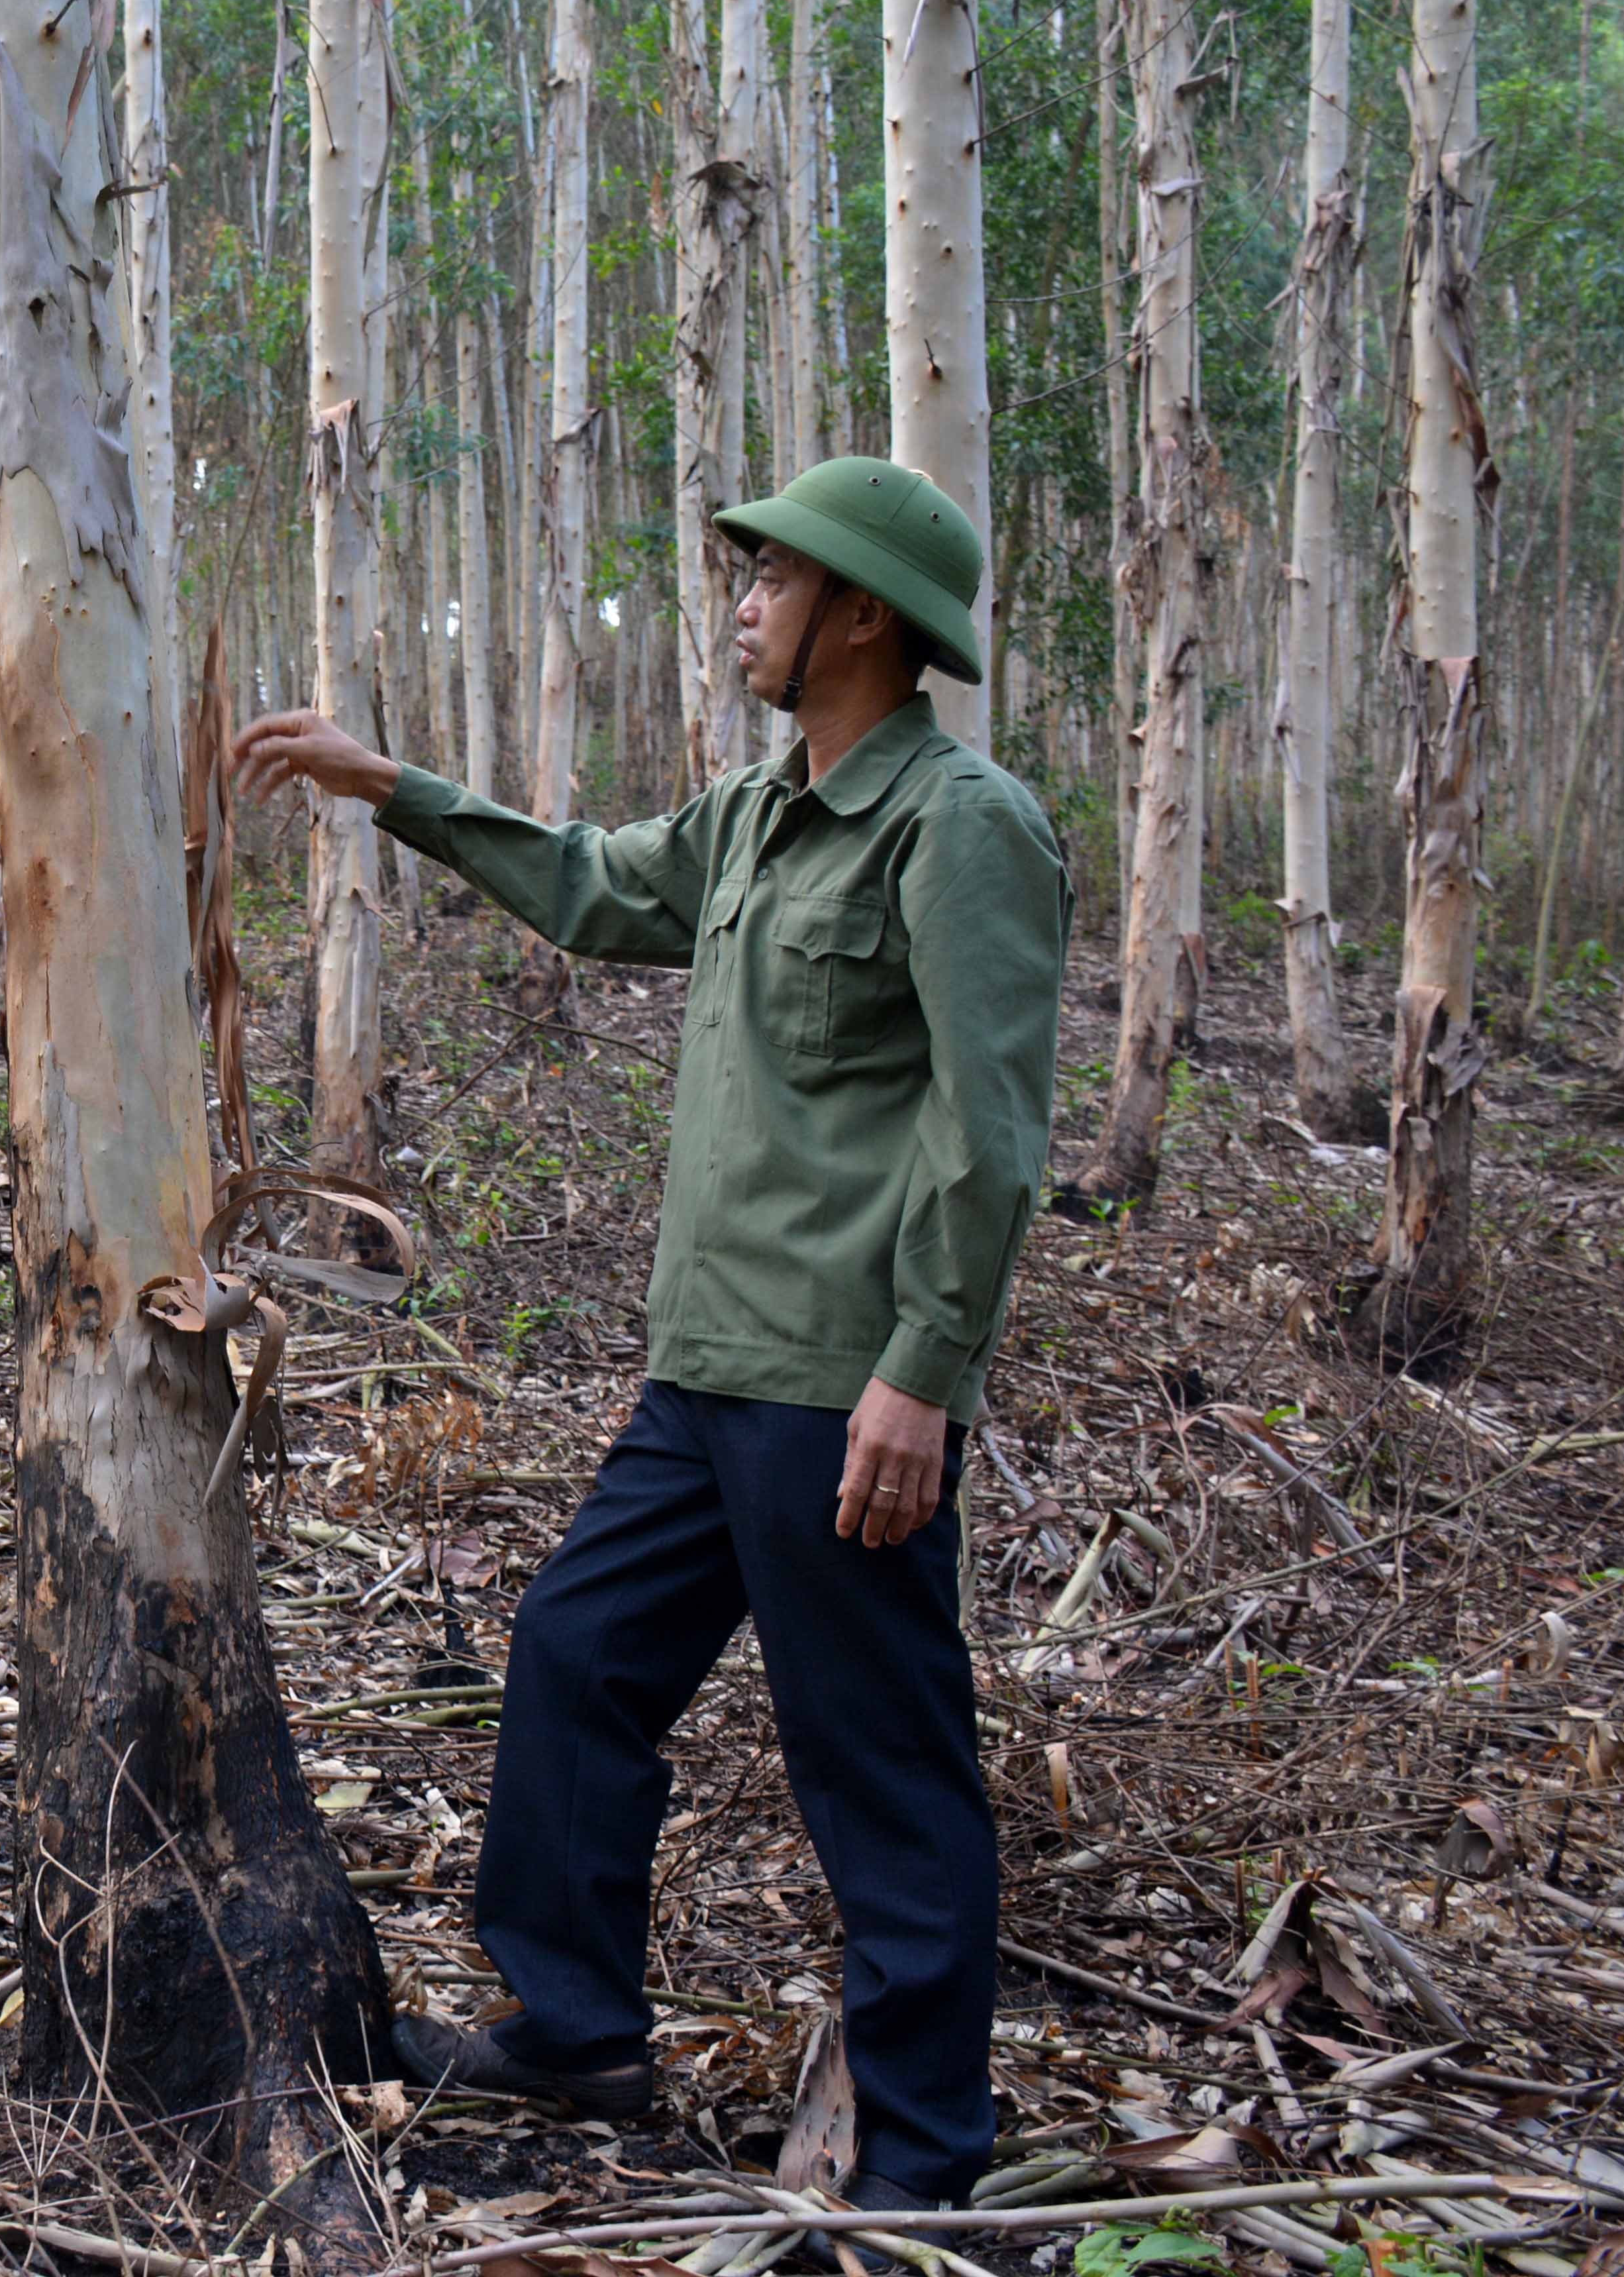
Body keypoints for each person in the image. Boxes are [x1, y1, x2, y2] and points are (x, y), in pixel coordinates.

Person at [232, 456, 1066, 2219]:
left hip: (844, 1388)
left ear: (856, 611)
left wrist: (925, 1373)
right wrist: (393, 789)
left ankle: (923, 2177)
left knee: (883, 1774)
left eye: (768, 581)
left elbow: (990, 1134)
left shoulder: (958, 826)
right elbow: (601, 885)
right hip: (708, 1376)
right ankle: (577, 2027)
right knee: (576, 1656)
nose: (741, 606)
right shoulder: (763, 817)